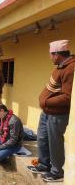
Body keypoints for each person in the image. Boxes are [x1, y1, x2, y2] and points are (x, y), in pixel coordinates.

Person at [27, 40, 75, 182]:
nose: (50, 57)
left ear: (57, 54)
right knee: (42, 139)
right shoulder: (60, 67)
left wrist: (45, 101)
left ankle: (57, 172)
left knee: (55, 143)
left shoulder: (70, 69)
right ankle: (43, 164)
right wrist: (45, 103)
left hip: (58, 114)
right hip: (47, 112)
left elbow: (68, 97)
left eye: (51, 54)